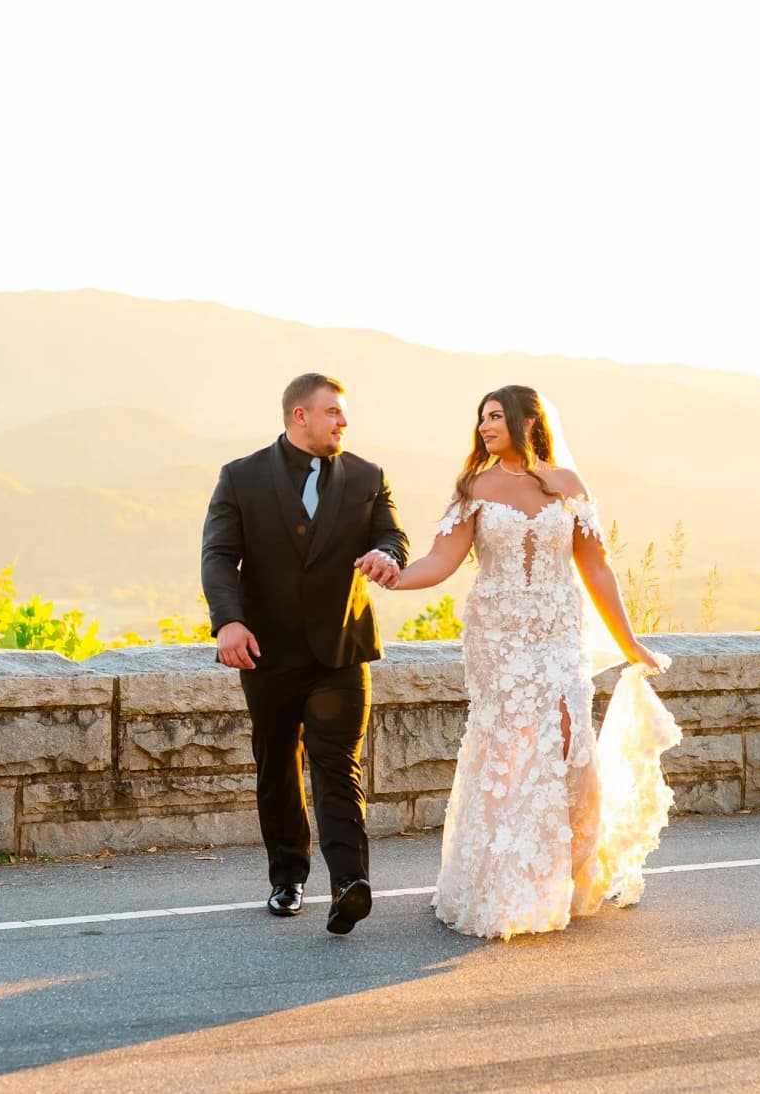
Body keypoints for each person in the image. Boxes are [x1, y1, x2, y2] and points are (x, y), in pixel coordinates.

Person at [363, 384, 681, 940]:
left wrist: (628, 642)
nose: (485, 426)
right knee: (510, 743)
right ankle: (505, 880)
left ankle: (558, 871)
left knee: (567, 736)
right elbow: (441, 560)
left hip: (559, 632)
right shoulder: (474, 486)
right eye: (481, 418)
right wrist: (395, 577)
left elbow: (596, 568)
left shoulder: (567, 484)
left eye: (495, 416)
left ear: (527, 421)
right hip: (499, 637)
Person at [201, 372, 409, 934]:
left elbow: (393, 536)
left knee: (338, 764)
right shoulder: (240, 476)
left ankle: (349, 884)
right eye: (333, 411)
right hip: (266, 652)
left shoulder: (367, 476)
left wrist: (387, 555)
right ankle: (287, 878)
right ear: (300, 416)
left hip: (341, 649)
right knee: (278, 766)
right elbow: (218, 555)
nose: (344, 421)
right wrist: (229, 622)